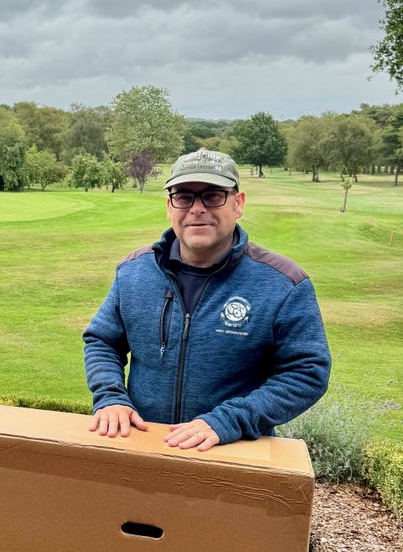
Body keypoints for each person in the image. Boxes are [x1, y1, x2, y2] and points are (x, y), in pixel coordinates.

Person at [83, 148, 330, 451]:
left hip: (233, 454)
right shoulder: (133, 273)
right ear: (169, 206)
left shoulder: (283, 283)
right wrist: (110, 397)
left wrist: (228, 421)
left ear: (238, 204)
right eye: (184, 196)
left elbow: (307, 371)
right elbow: (102, 341)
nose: (196, 208)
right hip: (142, 446)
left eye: (212, 196)